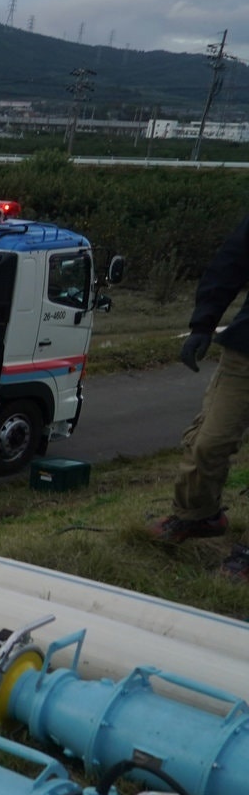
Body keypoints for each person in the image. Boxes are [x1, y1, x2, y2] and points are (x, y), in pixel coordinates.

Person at [147, 208, 249, 582]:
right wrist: (203, 323)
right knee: (209, 442)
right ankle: (198, 516)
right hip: (245, 352)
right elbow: (231, 263)